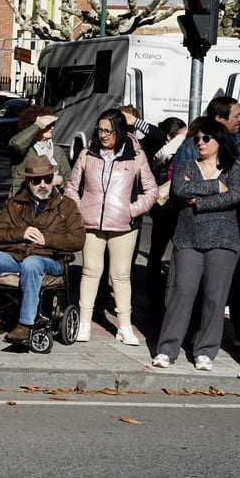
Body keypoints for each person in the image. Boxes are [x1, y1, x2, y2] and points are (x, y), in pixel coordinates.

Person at [152, 118, 240, 371]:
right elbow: (180, 189)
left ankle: (205, 351)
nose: (200, 143)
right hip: (188, 239)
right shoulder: (186, 165)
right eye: (197, 139)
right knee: (182, 293)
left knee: (215, 298)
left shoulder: (234, 169)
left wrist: (199, 202)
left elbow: (234, 197)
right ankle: (167, 349)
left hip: (224, 241)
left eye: (206, 138)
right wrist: (216, 186)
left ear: (220, 142)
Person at [64, 108, 157, 345]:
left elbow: (151, 191)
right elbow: (71, 187)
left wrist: (131, 210)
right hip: (91, 224)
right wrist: (81, 208)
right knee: (90, 271)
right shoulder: (87, 153)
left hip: (124, 226)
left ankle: (125, 327)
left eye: (108, 130)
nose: (103, 135)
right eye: (100, 129)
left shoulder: (136, 156)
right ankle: (84, 324)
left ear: (120, 130)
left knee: (121, 275)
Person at [0, 155, 85, 345]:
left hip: (50, 260)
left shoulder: (67, 206)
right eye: (37, 180)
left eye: (48, 179)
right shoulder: (13, 204)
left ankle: (25, 324)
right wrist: (21, 233)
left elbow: (78, 240)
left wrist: (46, 238)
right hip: (15, 255)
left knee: (32, 263)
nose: (43, 184)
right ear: (28, 181)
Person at [145, 116, 188, 306]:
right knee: (159, 252)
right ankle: (155, 296)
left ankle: (158, 295)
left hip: (166, 207)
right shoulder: (163, 151)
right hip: (164, 208)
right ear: (170, 137)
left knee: (162, 252)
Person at [6, 106, 69, 196]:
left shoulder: (57, 150)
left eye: (53, 124)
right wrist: (38, 125)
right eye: (47, 125)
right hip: (24, 200)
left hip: (52, 203)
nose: (52, 128)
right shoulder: (24, 149)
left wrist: (61, 180)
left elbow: (70, 179)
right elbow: (16, 145)